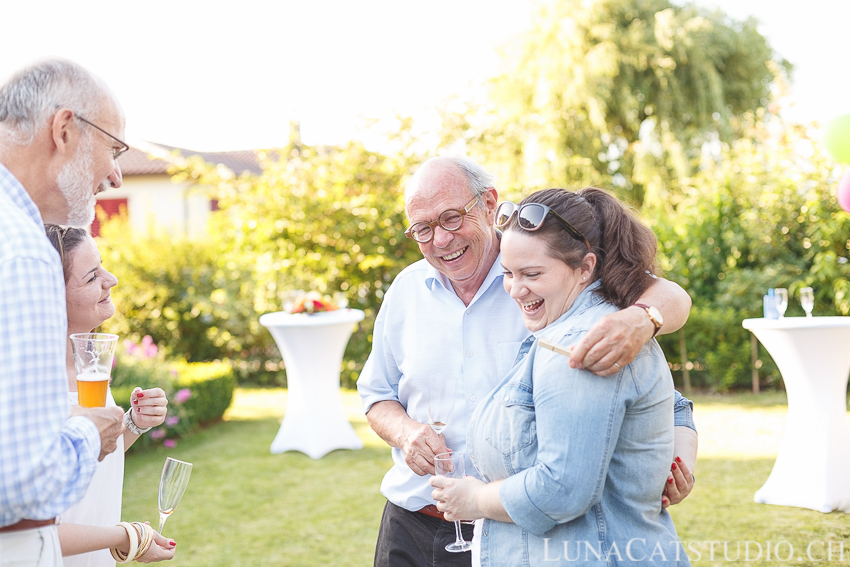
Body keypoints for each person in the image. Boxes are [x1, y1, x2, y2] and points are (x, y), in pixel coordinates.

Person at [357, 156, 697, 567]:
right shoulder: (406, 291)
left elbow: (668, 305)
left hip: (515, 531)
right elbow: (377, 396)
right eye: (423, 229)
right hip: (412, 522)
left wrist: (643, 318)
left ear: (489, 204)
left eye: (451, 218)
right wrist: (407, 433)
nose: (441, 239)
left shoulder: (553, 279)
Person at [0, 59, 128, 566]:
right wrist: (88, 431)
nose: (115, 176)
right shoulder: (22, 250)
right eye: (114, 149)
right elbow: (24, 484)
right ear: (65, 129)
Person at [45, 225, 176, 565]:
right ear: (51, 296)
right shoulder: (32, 388)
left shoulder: (88, 367)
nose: (112, 279)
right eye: (92, 277)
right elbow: (31, 531)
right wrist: (128, 536)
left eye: (103, 265)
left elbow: (86, 459)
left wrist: (132, 424)